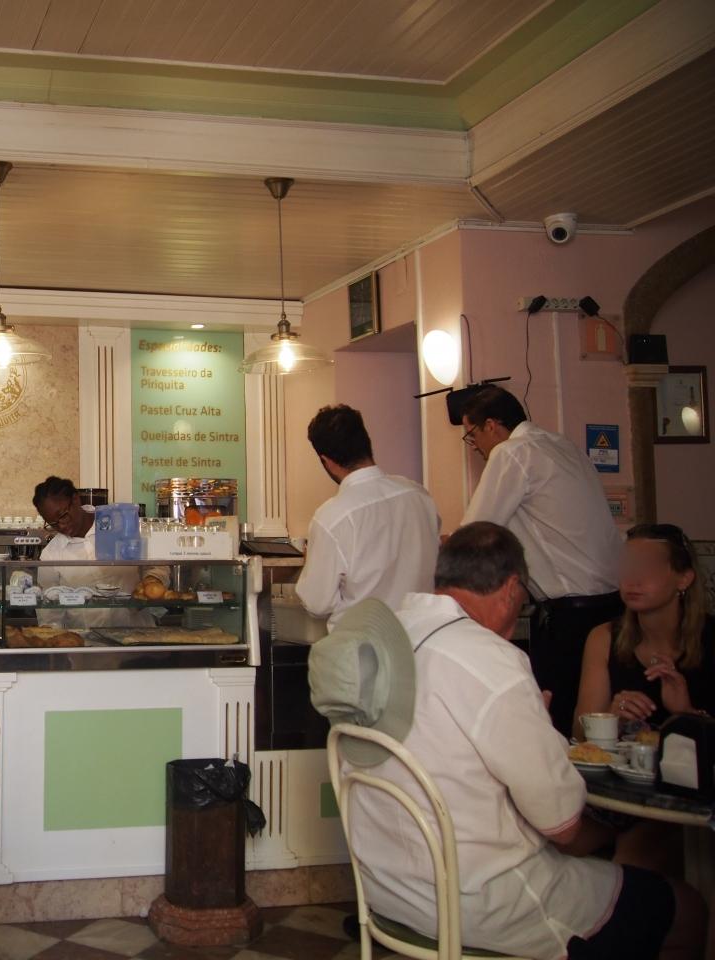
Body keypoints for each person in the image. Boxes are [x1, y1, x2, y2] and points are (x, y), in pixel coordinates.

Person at [319, 523, 704, 959]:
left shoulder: (384, 643)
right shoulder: (493, 660)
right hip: (480, 904)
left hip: (389, 895)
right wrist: (542, 729)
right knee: (688, 909)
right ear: (511, 589)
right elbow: (563, 824)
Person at [459, 384, 623, 736]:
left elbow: (475, 535)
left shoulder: (512, 453)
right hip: (613, 608)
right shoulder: (564, 446)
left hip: (571, 615)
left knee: (558, 723)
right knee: (601, 727)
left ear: (491, 425)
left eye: (472, 436)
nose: (475, 447)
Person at [573, 523, 715, 877]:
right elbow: (578, 733)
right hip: (617, 796)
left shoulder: (710, 640)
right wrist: (610, 716)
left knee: (632, 864)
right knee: (546, 842)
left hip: (683, 802)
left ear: (684, 578)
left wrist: (685, 714)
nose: (632, 579)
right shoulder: (604, 638)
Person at [294, 404, 439, 629]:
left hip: (363, 642)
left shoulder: (332, 517)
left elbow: (317, 603)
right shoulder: (419, 495)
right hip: (422, 635)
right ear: (366, 443)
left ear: (326, 460)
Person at [31, 477, 164, 628]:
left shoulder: (121, 524)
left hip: (138, 635)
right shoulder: (51, 554)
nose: (61, 526)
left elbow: (158, 566)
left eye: (63, 515)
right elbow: (49, 614)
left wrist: (151, 582)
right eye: (53, 523)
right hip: (86, 640)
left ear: (75, 499)